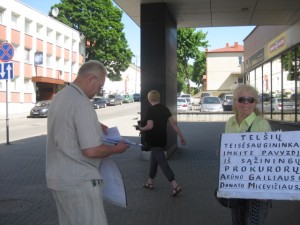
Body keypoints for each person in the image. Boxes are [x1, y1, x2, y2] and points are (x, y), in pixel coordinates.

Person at [46, 60, 129, 225]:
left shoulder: (61, 96)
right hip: (80, 182)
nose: (99, 91)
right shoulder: (82, 102)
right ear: (91, 78)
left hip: (58, 179)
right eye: (100, 86)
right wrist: (117, 149)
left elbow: (67, 123)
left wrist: (96, 125)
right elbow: (91, 150)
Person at [225, 84, 272, 225]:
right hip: (236, 183)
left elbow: (271, 159)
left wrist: (266, 189)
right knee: (237, 221)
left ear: (255, 103)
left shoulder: (262, 124)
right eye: (241, 99)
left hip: (257, 185)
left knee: (253, 222)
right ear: (235, 102)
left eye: (250, 99)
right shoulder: (230, 123)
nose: (246, 103)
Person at [137, 90, 187, 197]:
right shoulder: (165, 109)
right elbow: (173, 125)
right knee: (154, 161)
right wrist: (181, 137)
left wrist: (142, 128)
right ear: (158, 98)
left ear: (150, 99)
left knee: (163, 163)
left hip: (154, 140)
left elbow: (150, 126)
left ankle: (175, 185)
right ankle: (150, 182)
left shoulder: (151, 110)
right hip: (163, 139)